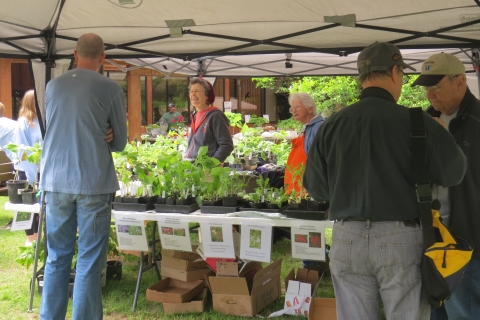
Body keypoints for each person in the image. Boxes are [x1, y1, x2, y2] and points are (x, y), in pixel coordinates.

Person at [303, 42, 467, 320]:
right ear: (394, 72)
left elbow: (317, 189)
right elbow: (453, 173)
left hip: (346, 236)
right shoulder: (417, 121)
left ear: (362, 78)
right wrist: (443, 135)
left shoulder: (332, 124)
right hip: (400, 238)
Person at [39, 33, 127, 320]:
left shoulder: (52, 86)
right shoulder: (110, 88)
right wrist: (108, 134)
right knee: (89, 261)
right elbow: (120, 142)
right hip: (93, 181)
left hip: (55, 180)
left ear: (75, 55)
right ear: (103, 58)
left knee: (57, 257)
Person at [412, 52, 480, 320]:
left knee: (465, 310)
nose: (430, 95)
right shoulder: (424, 122)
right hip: (432, 237)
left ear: (460, 82)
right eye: (427, 88)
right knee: (434, 310)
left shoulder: (477, 121)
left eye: (436, 87)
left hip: (467, 238)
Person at [283, 92, 325, 269]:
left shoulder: (317, 128)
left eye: (297, 107)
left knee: (307, 226)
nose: (293, 110)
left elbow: (317, 160)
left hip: (309, 187)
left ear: (310, 108)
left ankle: (312, 264)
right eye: (291, 108)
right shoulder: (307, 127)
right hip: (299, 187)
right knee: (304, 226)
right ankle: (320, 258)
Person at [15, 90, 43, 245]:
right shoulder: (23, 123)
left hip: (41, 170)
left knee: (39, 204)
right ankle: (30, 239)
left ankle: (38, 236)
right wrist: (30, 176)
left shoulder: (42, 121)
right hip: (26, 170)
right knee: (27, 206)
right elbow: (22, 151)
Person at [184, 78, 233, 162]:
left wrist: (211, 164)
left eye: (197, 91)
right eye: (191, 91)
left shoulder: (215, 116)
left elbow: (226, 145)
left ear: (207, 95)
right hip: (192, 169)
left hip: (206, 171)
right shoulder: (195, 115)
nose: (193, 94)